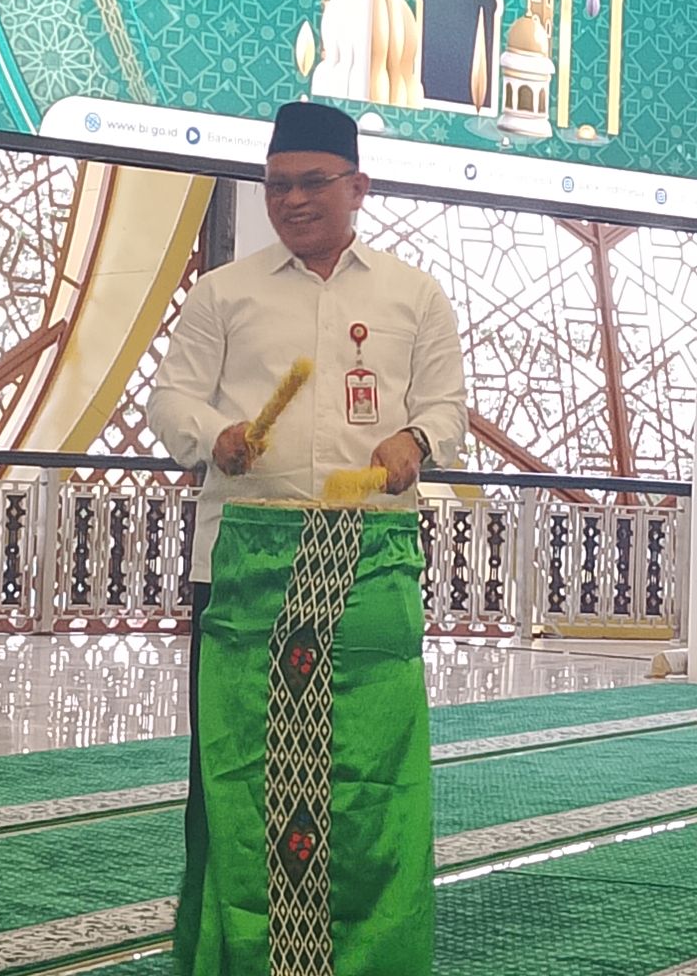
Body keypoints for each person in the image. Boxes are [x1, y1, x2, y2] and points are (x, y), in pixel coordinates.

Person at [149, 101, 467, 974]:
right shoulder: (225, 293)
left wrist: (416, 441)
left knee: (369, 774)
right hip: (243, 567)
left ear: (358, 186)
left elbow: (445, 405)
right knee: (237, 777)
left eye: (312, 184)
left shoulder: (412, 294)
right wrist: (213, 436)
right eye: (277, 185)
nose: (292, 201)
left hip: (367, 568)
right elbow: (171, 400)